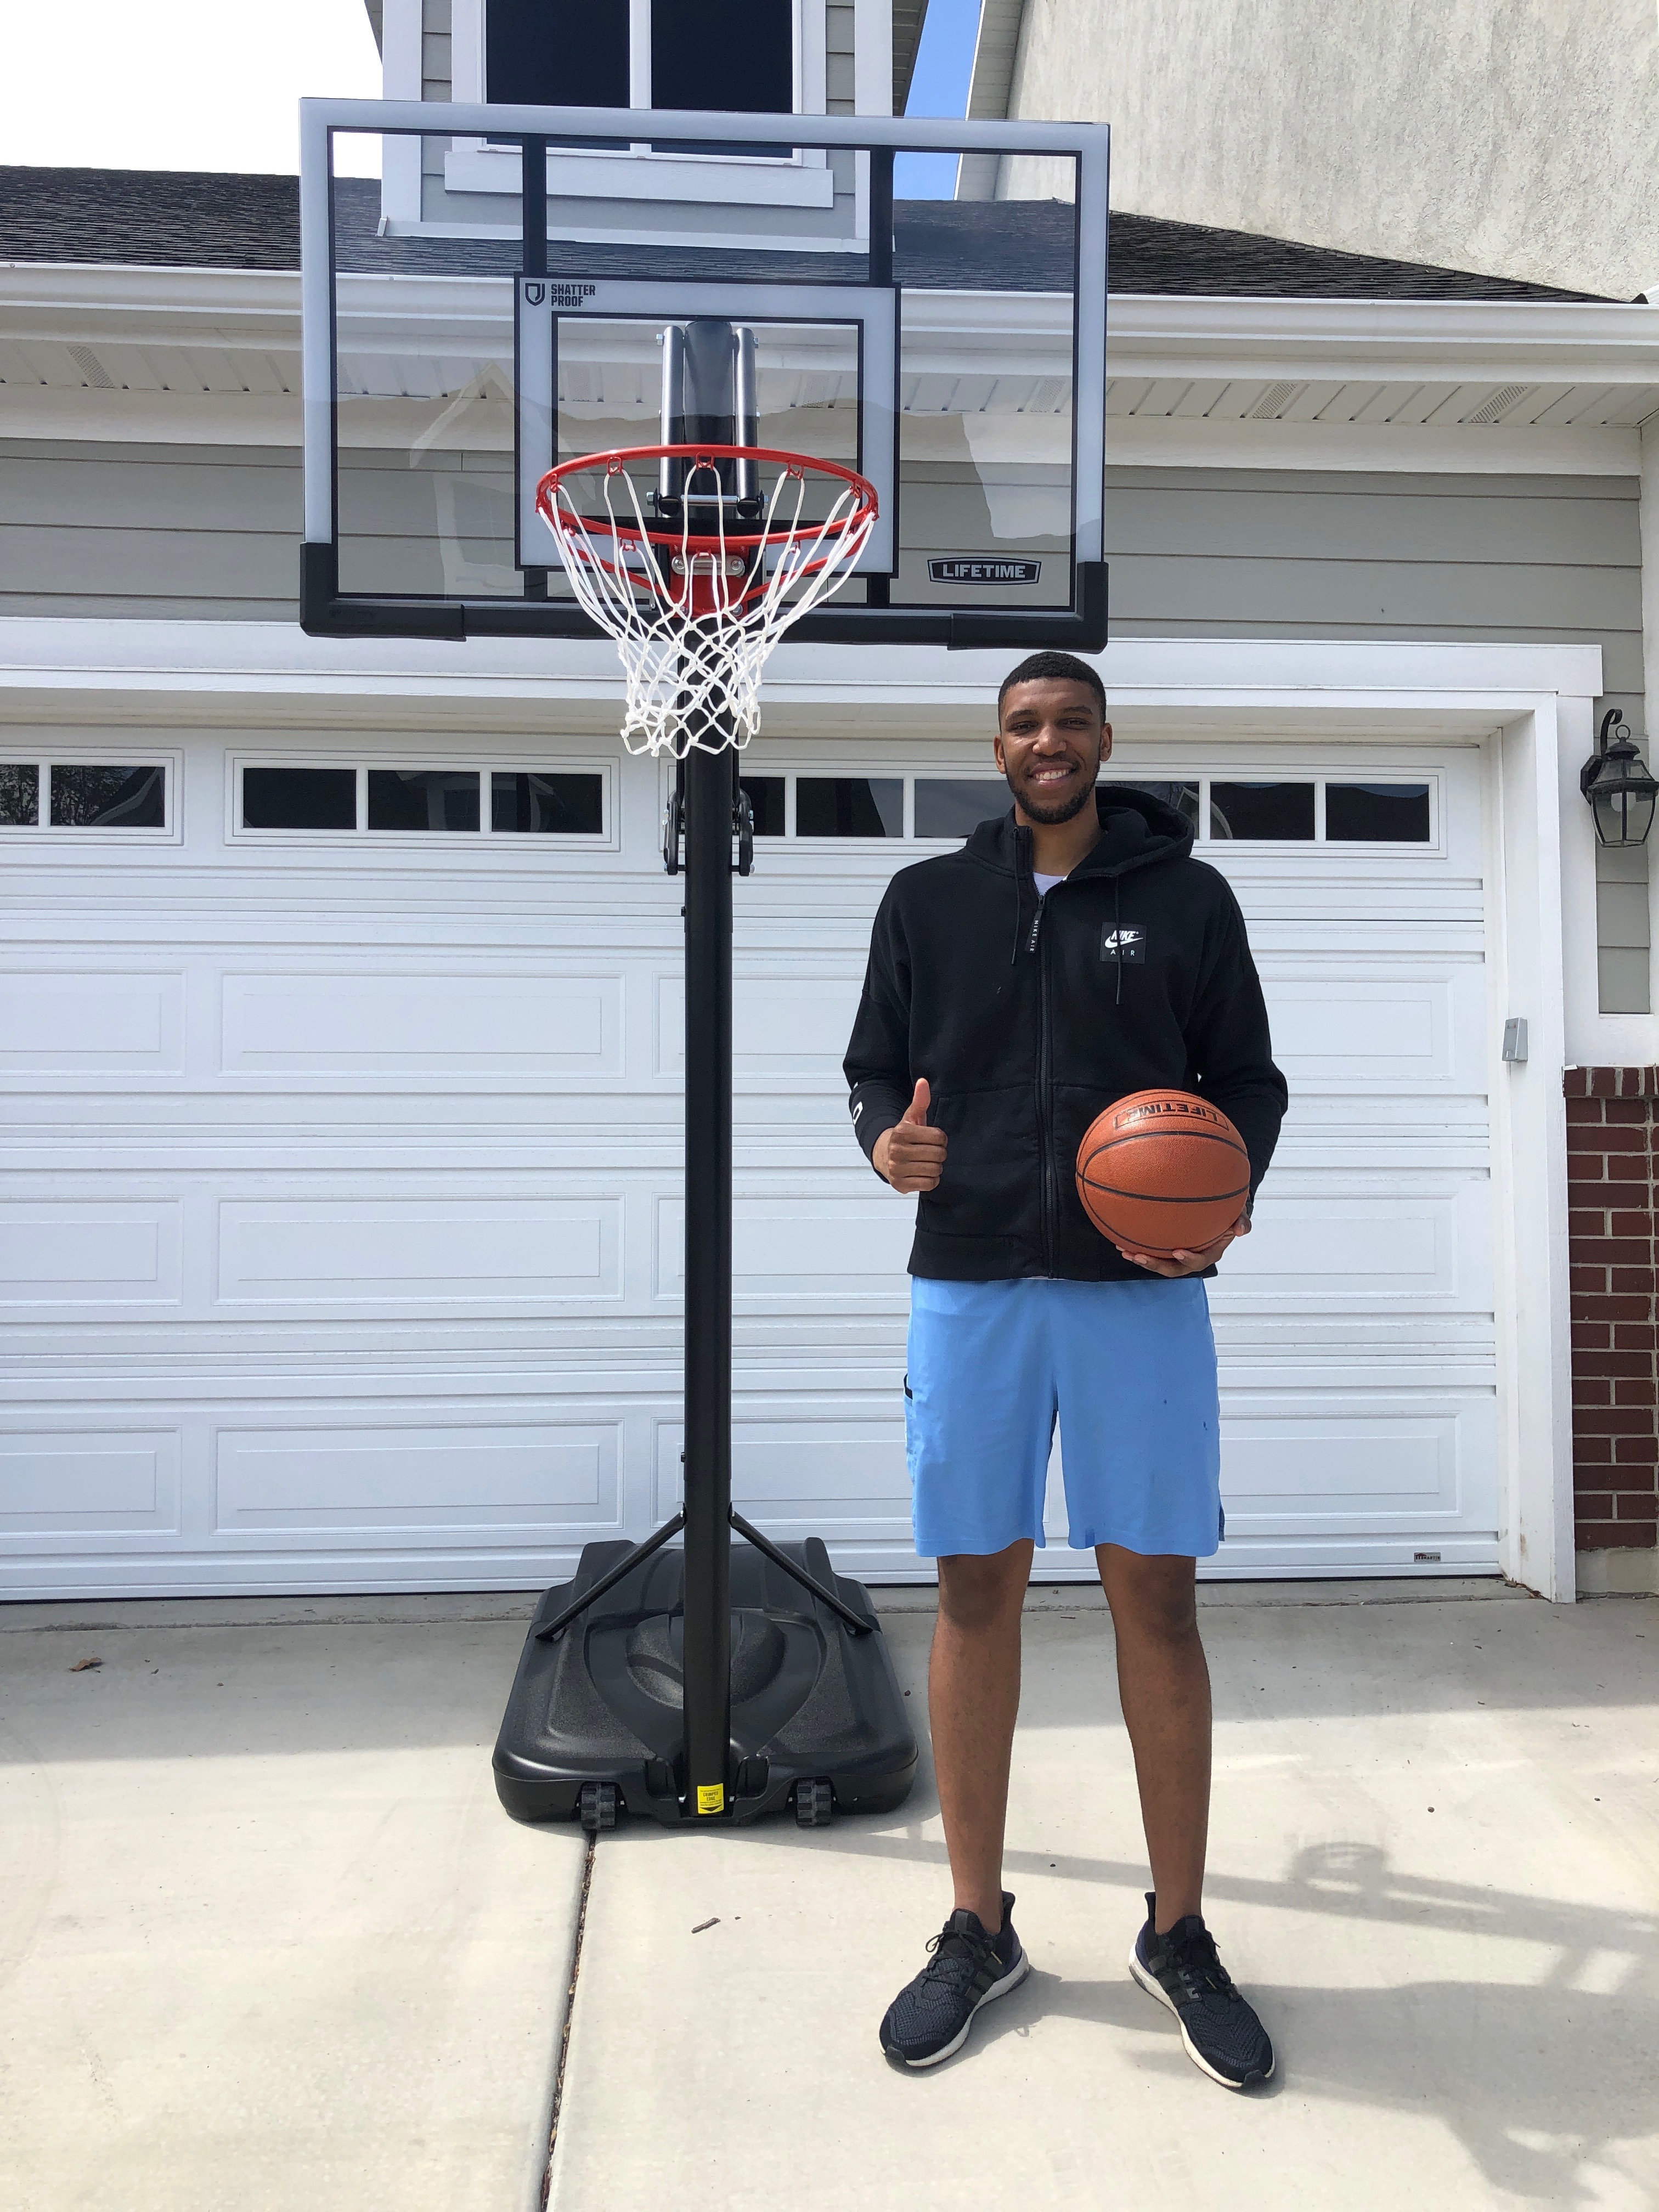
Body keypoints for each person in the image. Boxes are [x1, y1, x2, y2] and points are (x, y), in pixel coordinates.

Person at [843, 650, 1288, 2087]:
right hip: (970, 1280)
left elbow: (1248, 1082)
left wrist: (1224, 1195)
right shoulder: (926, 900)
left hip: (1137, 1293)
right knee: (976, 1586)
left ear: (1105, 739)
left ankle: (1179, 1932)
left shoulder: (1187, 899)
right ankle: (978, 1927)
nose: (1049, 742)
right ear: (998, 748)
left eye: (1071, 722)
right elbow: (873, 1068)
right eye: (1025, 724)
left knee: (1156, 1595)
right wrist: (886, 1143)